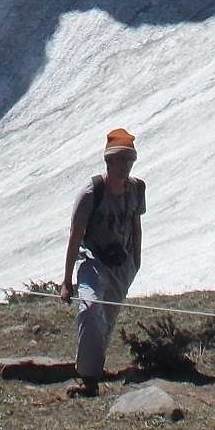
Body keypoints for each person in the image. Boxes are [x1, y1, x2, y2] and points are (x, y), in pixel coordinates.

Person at [60, 127, 146, 398]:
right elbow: (75, 236)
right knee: (89, 307)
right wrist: (66, 281)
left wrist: (136, 261)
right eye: (120, 160)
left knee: (107, 318)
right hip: (93, 260)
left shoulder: (136, 189)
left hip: (122, 262)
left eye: (129, 161)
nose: (125, 166)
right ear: (108, 161)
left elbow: (136, 223)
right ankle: (87, 376)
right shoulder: (91, 193)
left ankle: (94, 372)